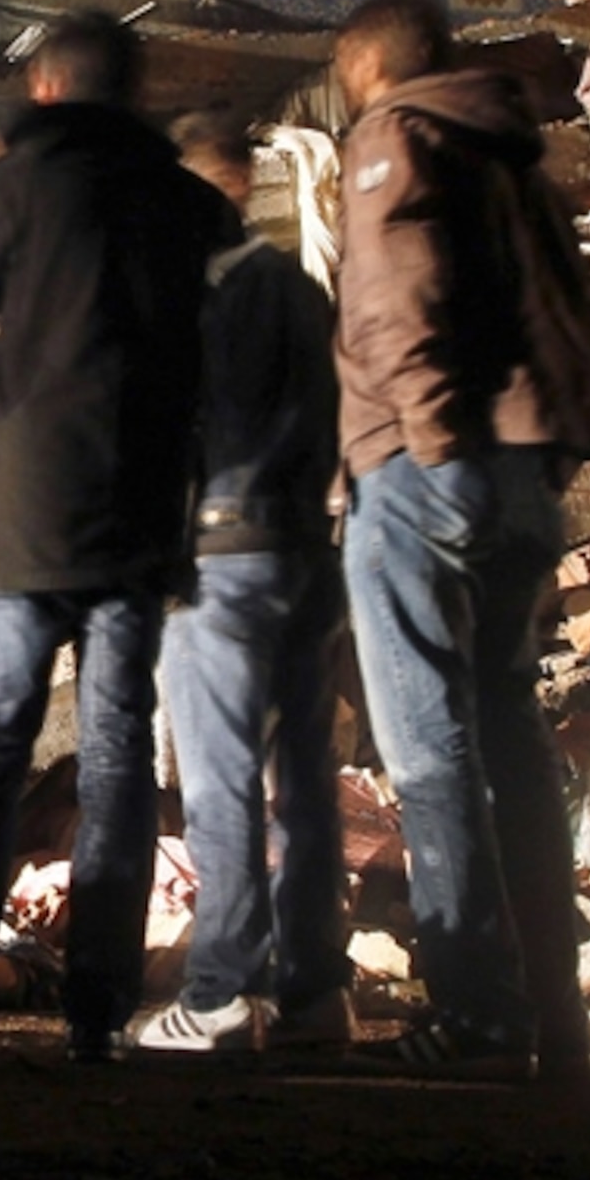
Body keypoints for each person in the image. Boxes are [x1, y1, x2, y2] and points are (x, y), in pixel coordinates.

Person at [0, 10, 236, 1058]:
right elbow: (219, 365)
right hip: (138, 522)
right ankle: (98, 1011)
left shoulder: (14, 190)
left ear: (45, 89)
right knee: (120, 762)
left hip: (23, 518)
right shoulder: (190, 206)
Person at [330, 0, 590, 1080]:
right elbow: (573, 320)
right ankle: (557, 1014)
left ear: (363, 71)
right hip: (526, 477)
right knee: (509, 735)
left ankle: (477, 1009)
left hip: (426, 475)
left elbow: (399, 300)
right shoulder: (517, 158)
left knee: (429, 749)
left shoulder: (392, 137)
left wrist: (433, 445)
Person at [131, 112, 351, 1055]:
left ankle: (222, 989)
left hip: (218, 561)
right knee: (304, 780)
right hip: (308, 556)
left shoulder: (189, 294)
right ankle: (315, 998)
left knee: (219, 779)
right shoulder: (300, 291)